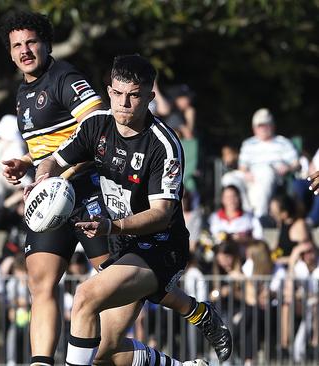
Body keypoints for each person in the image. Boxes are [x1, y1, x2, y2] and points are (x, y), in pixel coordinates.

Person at [30, 55, 231, 365]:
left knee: (84, 298)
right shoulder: (96, 124)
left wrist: (113, 226)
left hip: (161, 247)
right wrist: (42, 179)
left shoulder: (163, 145)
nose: (124, 103)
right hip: (122, 244)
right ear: (109, 92)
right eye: (118, 94)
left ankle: (195, 311)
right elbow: (55, 160)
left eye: (134, 95)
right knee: (102, 353)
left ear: (150, 97)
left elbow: (161, 214)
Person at [0, 12, 108, 365]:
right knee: (40, 284)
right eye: (17, 46)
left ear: (46, 44)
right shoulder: (22, 92)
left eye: (30, 42)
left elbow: (97, 124)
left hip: (89, 190)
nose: (24, 50)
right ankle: (42, 362)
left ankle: (191, 312)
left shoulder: (65, 77)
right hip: (50, 200)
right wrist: (27, 162)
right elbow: (44, 145)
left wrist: (63, 169)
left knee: (116, 277)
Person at [238, 108, 299, 219]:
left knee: (265, 174)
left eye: (267, 124)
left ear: (272, 125)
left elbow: (296, 163)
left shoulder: (283, 142)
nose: (264, 128)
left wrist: (288, 168)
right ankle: (243, 215)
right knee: (229, 179)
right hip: (250, 176)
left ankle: (259, 216)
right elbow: (242, 166)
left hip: (273, 176)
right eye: (260, 125)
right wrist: (245, 173)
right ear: (254, 128)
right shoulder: (248, 144)